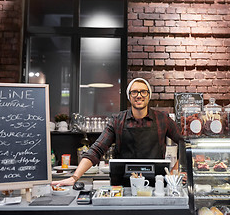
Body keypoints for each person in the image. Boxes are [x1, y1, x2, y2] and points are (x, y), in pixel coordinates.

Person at [52, 78, 182, 186]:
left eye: (143, 92)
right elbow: (96, 150)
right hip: (122, 185)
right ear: (129, 96)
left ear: (149, 95)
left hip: (156, 184)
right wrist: (74, 177)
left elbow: (185, 144)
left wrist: (175, 171)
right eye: (134, 92)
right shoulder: (117, 121)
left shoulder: (163, 119)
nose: (139, 96)